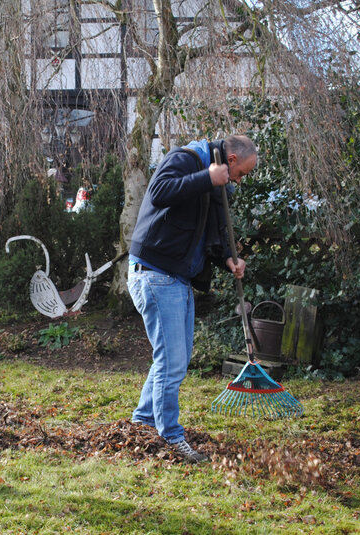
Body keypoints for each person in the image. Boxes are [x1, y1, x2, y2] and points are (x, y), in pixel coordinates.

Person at [128, 134, 257, 463]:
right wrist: (205, 178)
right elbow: (158, 194)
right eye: (241, 173)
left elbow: (210, 228)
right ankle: (169, 436)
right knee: (172, 364)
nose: (239, 181)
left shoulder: (216, 180)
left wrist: (228, 258)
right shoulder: (185, 159)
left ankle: (143, 422)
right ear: (230, 160)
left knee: (172, 361)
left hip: (176, 276)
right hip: (156, 272)